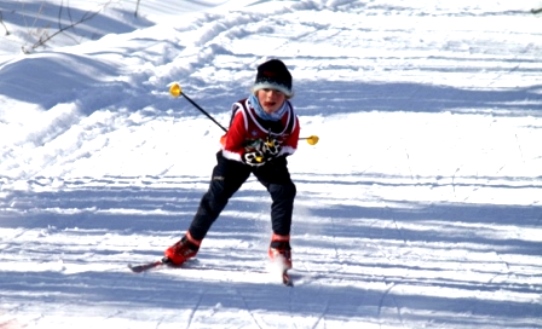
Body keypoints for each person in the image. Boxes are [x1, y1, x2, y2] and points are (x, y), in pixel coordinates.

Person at [164, 59, 300, 270]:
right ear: (256, 90)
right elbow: (230, 147)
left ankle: (280, 246)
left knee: (284, 191)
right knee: (216, 196)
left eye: (278, 91)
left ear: (287, 95)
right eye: (265, 89)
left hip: (268, 160)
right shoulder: (245, 114)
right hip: (236, 158)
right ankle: (190, 243)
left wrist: (276, 151)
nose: (271, 96)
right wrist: (247, 156)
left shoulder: (289, 118)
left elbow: (291, 145)